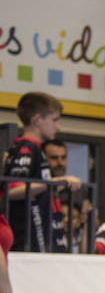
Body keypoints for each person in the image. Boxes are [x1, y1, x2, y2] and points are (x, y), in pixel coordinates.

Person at [5, 92, 80, 252]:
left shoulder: (36, 149)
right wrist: (53, 183)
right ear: (37, 120)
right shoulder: (26, 148)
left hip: (45, 239)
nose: (58, 126)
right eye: (54, 120)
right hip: (28, 242)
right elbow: (11, 190)